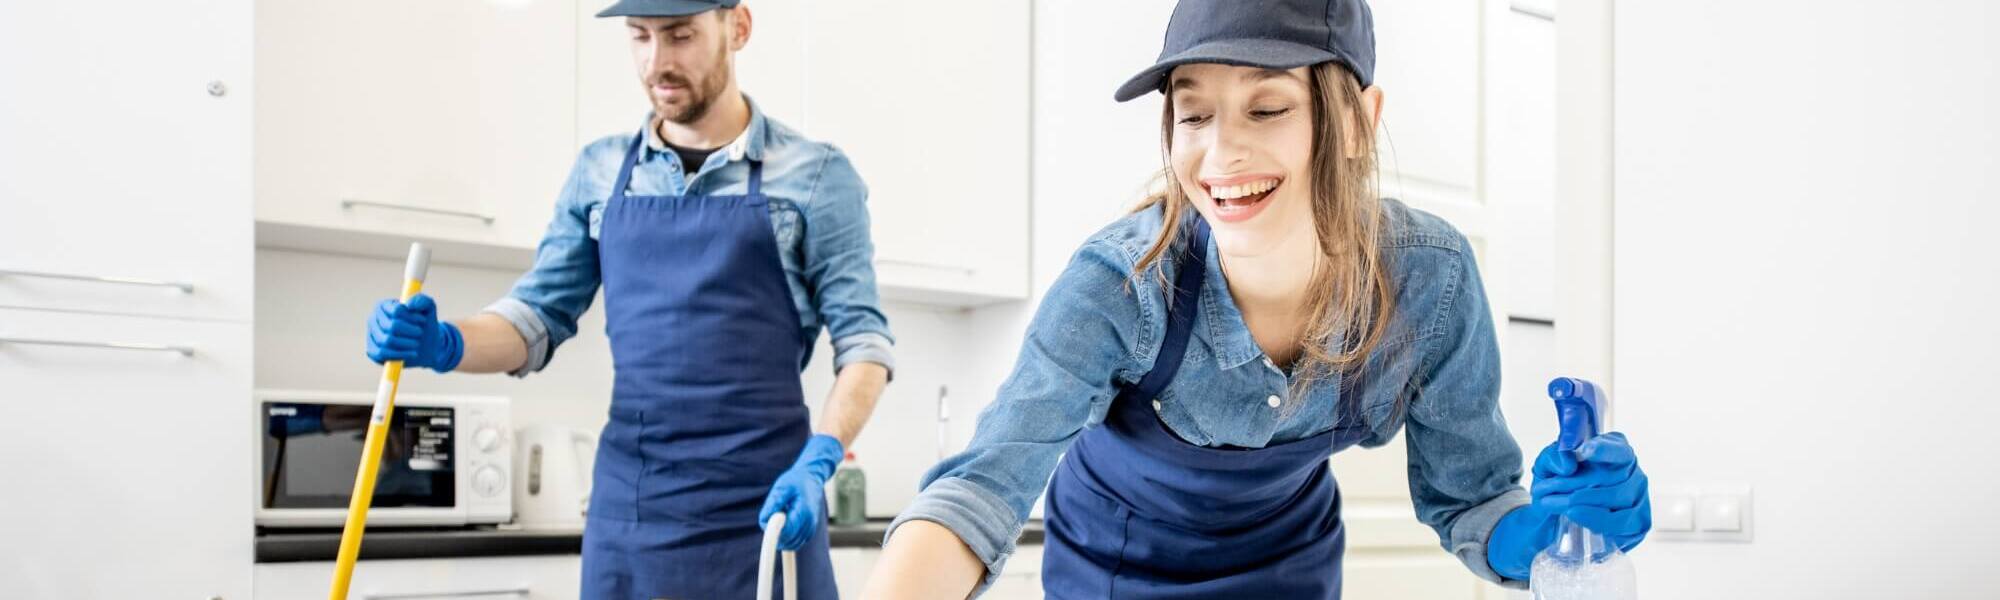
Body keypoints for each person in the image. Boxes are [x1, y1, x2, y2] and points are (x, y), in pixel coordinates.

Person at [861, 0, 1650, 597]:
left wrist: (1542, 535)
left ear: (1357, 123)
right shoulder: (1122, 284)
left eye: (1267, 107)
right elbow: (978, 492)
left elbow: (1472, 498)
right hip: (1114, 568)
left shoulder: (1429, 285)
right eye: (1193, 113)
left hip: (1291, 564)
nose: (1219, 153)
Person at [362, 1, 893, 597]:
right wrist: (446, 342)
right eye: (639, 37)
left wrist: (820, 459)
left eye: (680, 36)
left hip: (768, 512)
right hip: (633, 516)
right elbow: (536, 315)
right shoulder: (599, 171)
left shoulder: (816, 176)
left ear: (738, 27)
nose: (656, 61)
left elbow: (865, 344)